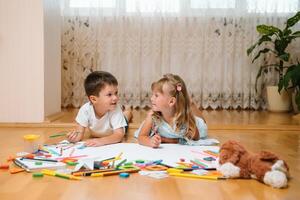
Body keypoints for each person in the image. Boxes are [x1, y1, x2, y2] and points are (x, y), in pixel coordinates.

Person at [136, 73, 207, 148]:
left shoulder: (184, 118)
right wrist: (149, 141)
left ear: (171, 102)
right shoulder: (152, 116)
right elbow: (141, 137)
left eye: (156, 95)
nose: (151, 98)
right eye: (152, 95)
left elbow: (196, 138)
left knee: (202, 123)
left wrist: (167, 140)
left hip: (194, 120)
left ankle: (190, 103)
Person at [67, 71, 132, 147]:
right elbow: (79, 134)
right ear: (94, 99)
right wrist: (73, 138)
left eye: (116, 93)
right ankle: (126, 110)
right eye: (109, 94)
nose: (115, 97)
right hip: (101, 132)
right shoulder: (85, 110)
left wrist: (101, 141)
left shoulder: (115, 109)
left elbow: (119, 135)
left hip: (116, 129)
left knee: (126, 117)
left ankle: (128, 111)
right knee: (123, 115)